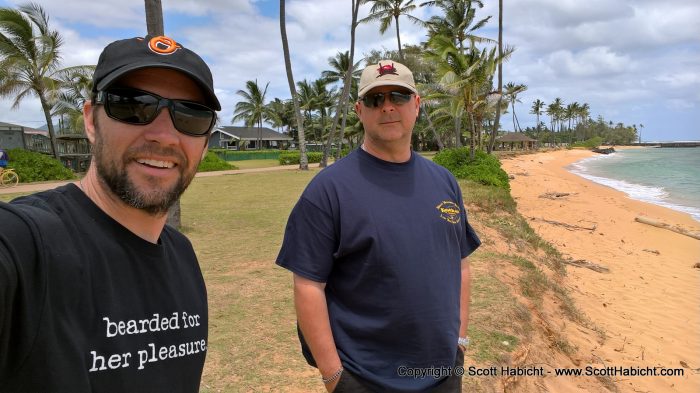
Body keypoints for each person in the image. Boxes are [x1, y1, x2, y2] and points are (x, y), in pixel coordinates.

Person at [0, 35, 220, 392]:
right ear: (90, 120)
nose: (164, 136)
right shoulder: (28, 243)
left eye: (191, 115)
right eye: (133, 105)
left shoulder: (181, 254)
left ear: (205, 143)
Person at [276, 60, 481, 392]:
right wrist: (334, 378)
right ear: (360, 110)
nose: (387, 106)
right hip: (366, 380)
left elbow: (460, 264)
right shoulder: (328, 190)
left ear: (417, 104)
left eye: (398, 96)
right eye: (375, 99)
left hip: (444, 374)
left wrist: (460, 343)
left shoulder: (444, 181)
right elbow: (307, 287)